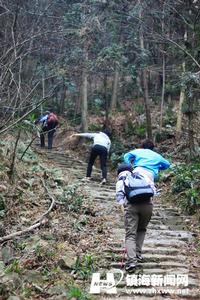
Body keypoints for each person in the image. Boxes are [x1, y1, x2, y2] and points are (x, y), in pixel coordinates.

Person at [116, 139, 170, 272]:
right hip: (147, 198)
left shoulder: (137, 154)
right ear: (153, 147)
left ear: (142, 146)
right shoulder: (157, 157)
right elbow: (167, 165)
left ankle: (131, 261)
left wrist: (130, 165)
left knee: (130, 234)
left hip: (133, 199)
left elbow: (126, 156)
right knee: (142, 229)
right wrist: (157, 168)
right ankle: (138, 254)